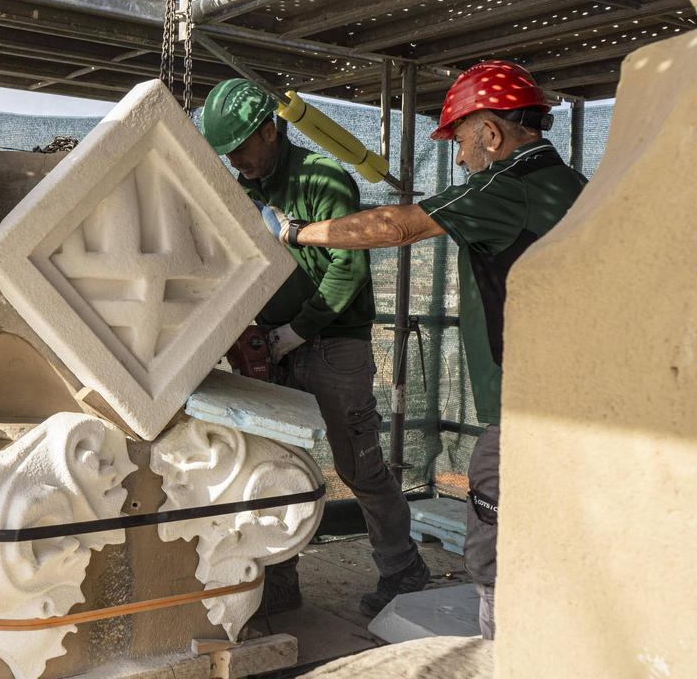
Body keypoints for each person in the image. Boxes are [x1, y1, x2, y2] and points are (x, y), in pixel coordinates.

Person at [260, 60, 587, 638]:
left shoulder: (507, 185)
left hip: (527, 404)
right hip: (573, 392)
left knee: (490, 537)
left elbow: (396, 226)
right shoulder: (575, 185)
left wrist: (293, 233)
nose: (458, 158)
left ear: (491, 133)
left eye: (460, 140)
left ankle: (505, 652)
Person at [202, 78, 429, 617]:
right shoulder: (246, 191)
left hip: (332, 345)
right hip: (273, 345)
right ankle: (280, 583)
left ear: (268, 130)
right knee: (273, 466)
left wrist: (295, 332)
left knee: (359, 466)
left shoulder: (323, 179)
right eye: (227, 152)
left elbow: (348, 269)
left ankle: (403, 570)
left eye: (241, 147)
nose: (235, 161)